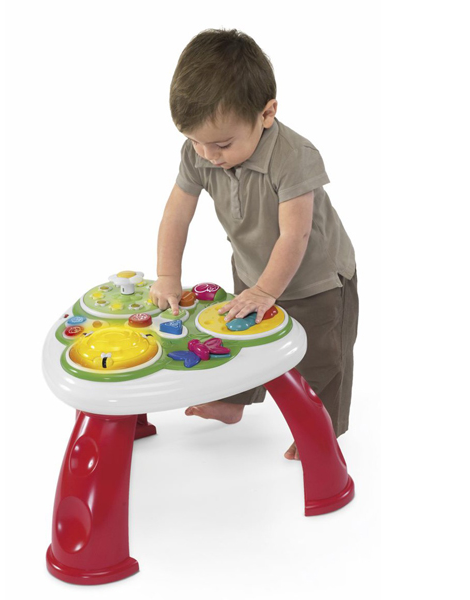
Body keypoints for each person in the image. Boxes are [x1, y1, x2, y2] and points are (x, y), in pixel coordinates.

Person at [150, 28, 359, 461]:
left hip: (318, 281)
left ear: (266, 114)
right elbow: (176, 215)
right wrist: (168, 276)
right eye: (194, 141)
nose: (207, 154)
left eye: (221, 144)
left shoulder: (294, 156)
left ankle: (322, 432)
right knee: (242, 341)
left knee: (321, 360)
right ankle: (233, 403)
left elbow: (296, 234)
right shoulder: (199, 153)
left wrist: (267, 290)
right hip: (252, 269)